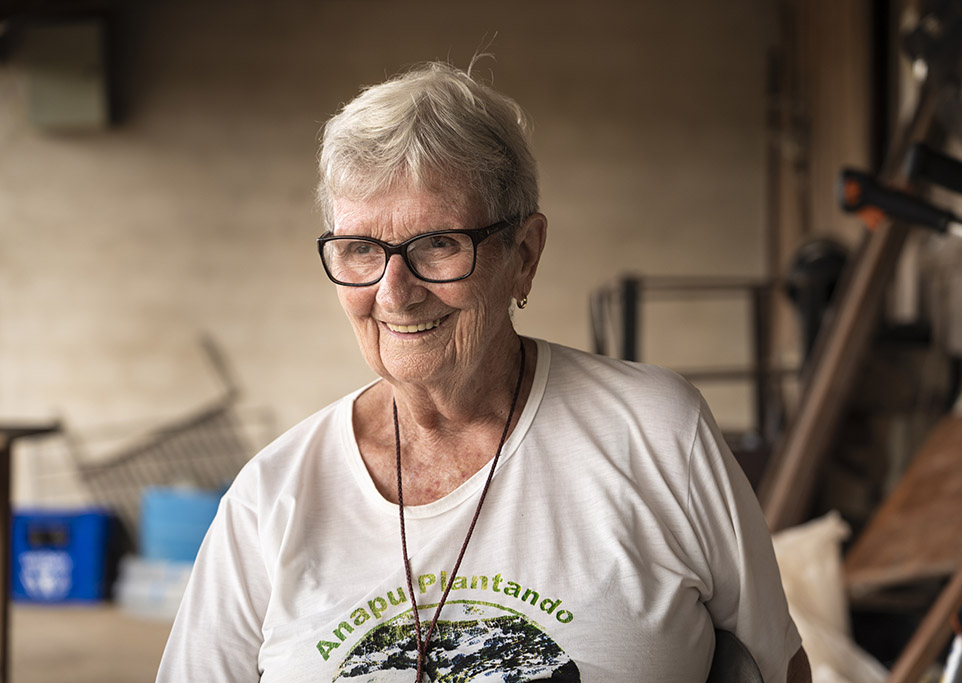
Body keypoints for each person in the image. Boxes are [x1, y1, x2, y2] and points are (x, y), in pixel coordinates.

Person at [157, 60, 810, 683]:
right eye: (360, 249)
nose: (394, 293)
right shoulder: (271, 500)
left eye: (437, 244)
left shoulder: (658, 434)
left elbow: (776, 667)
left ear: (523, 255)